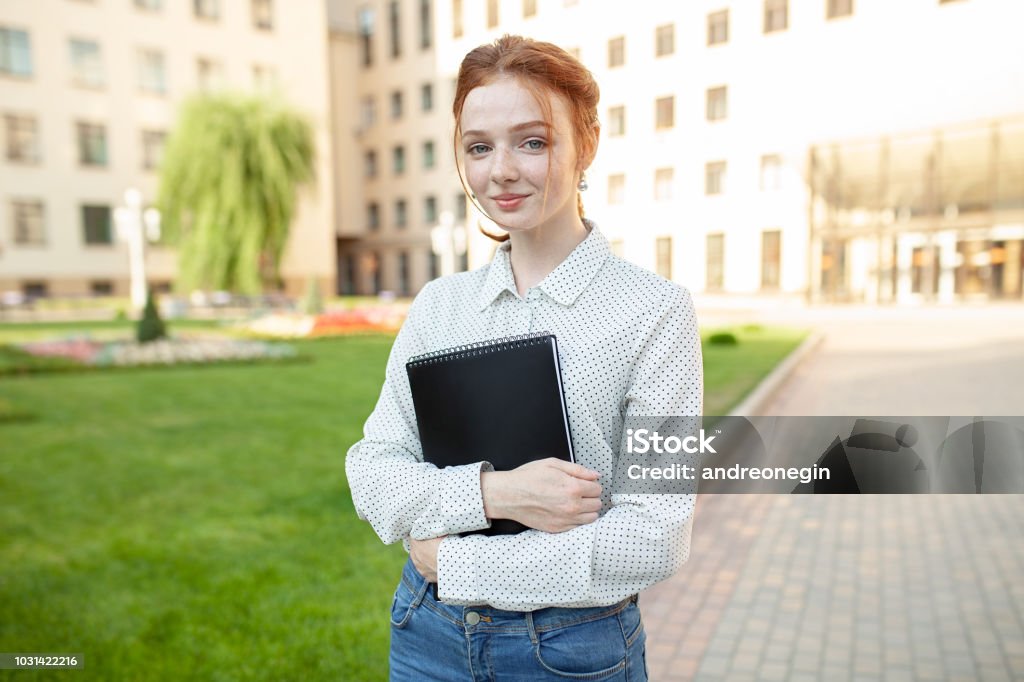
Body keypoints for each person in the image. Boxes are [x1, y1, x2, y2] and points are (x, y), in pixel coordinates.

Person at [346, 34, 703, 681]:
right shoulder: (439, 306)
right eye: (479, 147)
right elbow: (372, 471)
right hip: (426, 632)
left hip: (571, 649)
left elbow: (656, 531)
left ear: (586, 142)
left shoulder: (656, 311)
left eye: (531, 141)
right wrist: (494, 493)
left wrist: (457, 562)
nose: (501, 170)